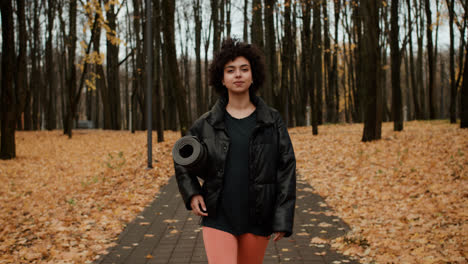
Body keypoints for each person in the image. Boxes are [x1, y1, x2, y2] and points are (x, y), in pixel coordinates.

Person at [174, 38, 296, 264]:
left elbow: (286, 168)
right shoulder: (206, 123)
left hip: (258, 217)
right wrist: (192, 193)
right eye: (230, 70)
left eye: (244, 69)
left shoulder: (272, 120)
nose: (238, 75)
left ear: (253, 75)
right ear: (222, 78)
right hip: (218, 214)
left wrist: (282, 218)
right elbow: (182, 158)